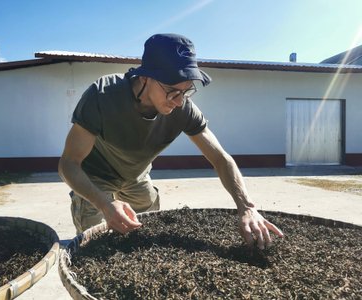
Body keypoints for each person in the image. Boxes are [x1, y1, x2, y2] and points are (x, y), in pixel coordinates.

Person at [58, 33, 283, 249]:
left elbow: (220, 158)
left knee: (145, 236)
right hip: (96, 176)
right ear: (145, 77)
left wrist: (247, 206)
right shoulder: (103, 95)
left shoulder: (183, 108)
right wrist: (105, 204)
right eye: (172, 91)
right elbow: (68, 164)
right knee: (96, 244)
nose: (178, 102)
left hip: (136, 177)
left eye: (186, 91)